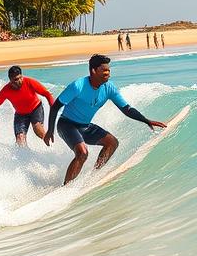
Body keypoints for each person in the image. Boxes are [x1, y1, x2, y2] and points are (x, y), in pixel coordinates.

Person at [45, 54, 167, 185]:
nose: (108, 73)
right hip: (67, 124)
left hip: (84, 126)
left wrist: (146, 120)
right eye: (104, 70)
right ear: (93, 71)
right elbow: (55, 107)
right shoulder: (78, 86)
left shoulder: (109, 88)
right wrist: (50, 130)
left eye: (109, 70)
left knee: (112, 142)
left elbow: (126, 109)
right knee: (82, 153)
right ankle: (66, 187)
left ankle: (95, 174)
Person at [0, 65, 54, 146]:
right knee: (20, 138)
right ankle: (25, 153)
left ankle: (51, 146)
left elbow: (47, 94)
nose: (19, 81)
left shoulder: (29, 82)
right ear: (10, 80)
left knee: (37, 128)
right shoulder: (6, 90)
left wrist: (53, 108)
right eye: (15, 80)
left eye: (20, 78)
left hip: (35, 108)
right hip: (21, 114)